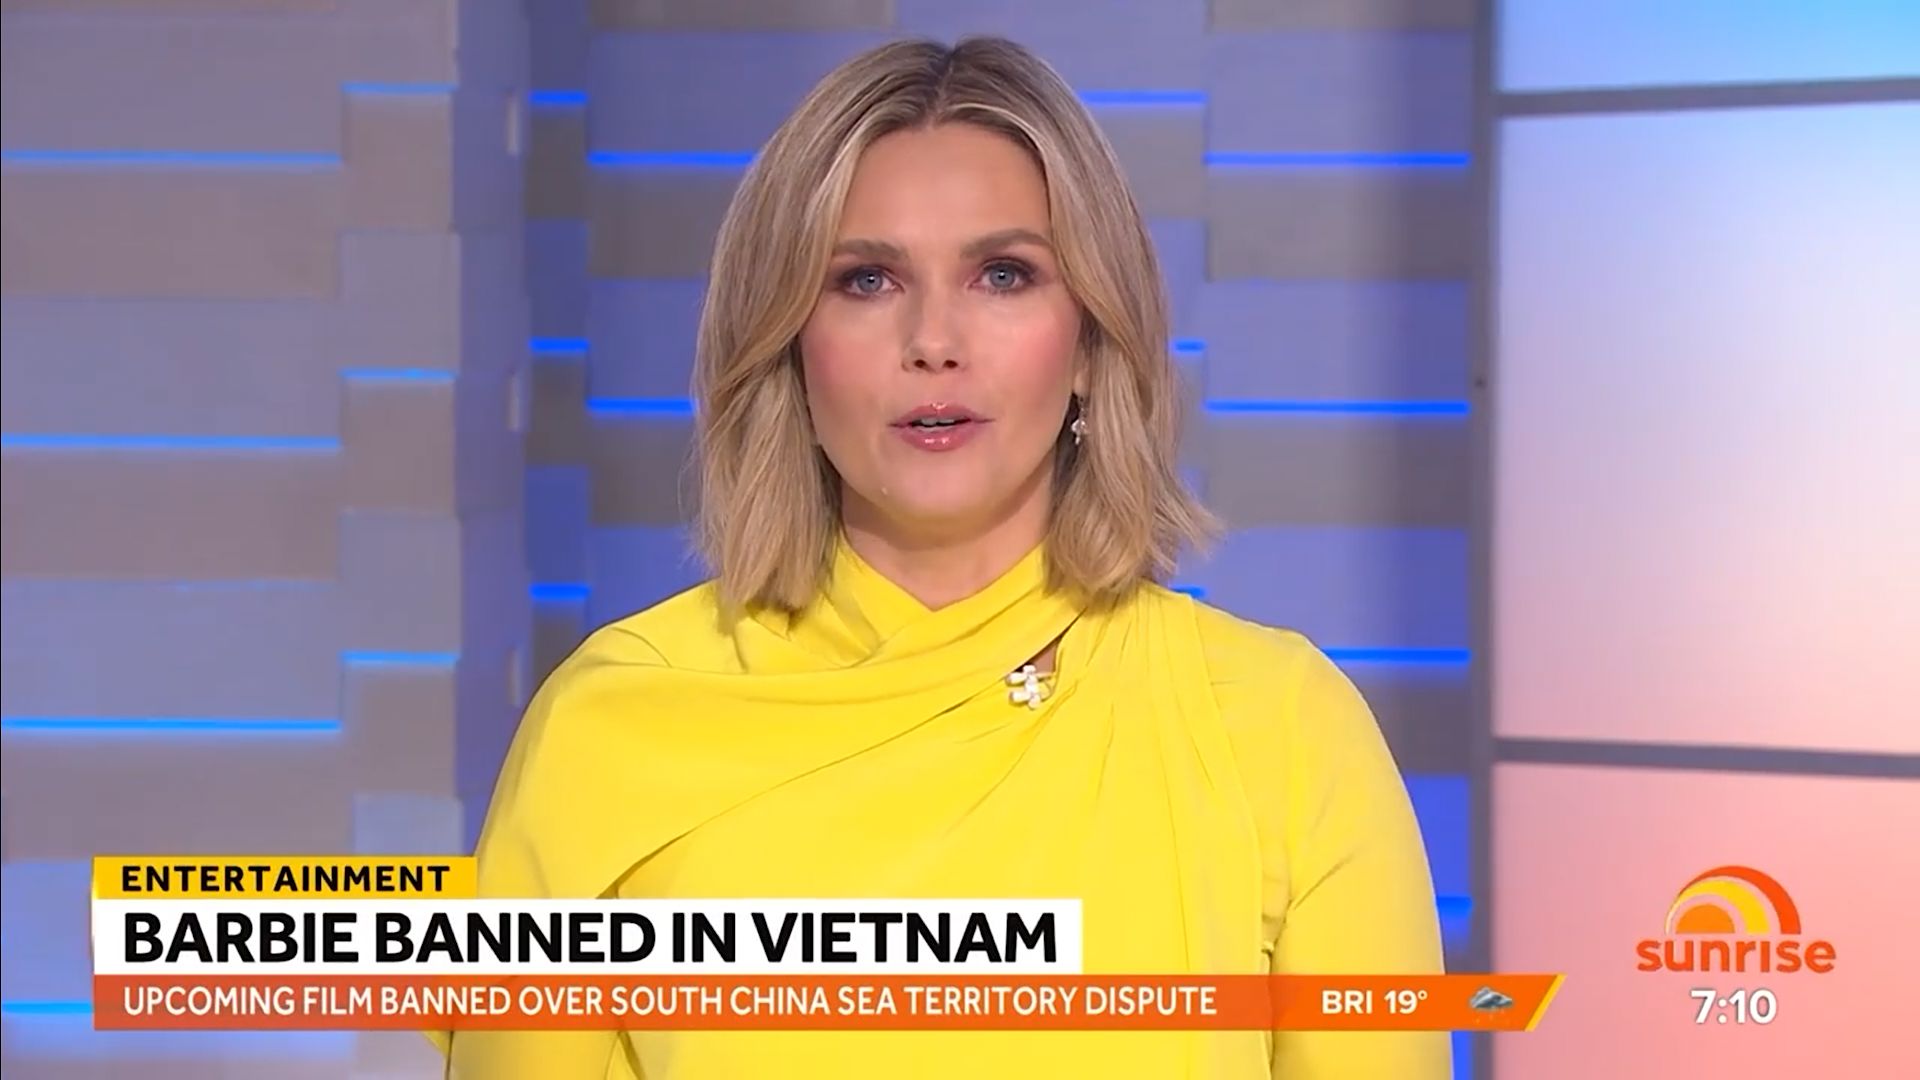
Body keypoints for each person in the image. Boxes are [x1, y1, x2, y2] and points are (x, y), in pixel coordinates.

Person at [433, 35, 1447, 1079]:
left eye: (1003, 275)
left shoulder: (1278, 730)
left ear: (1091, 340)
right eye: (866, 280)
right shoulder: (612, 725)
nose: (934, 340)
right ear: (789, 345)